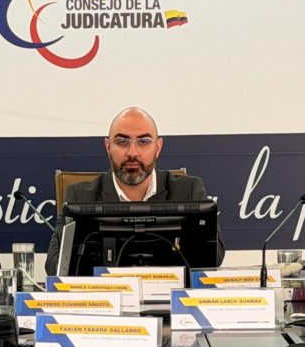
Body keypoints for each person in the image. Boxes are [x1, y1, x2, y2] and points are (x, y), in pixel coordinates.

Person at [44, 106, 223, 274]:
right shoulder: (79, 196)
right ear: (108, 147)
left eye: (144, 141)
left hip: (172, 301)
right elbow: (55, 265)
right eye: (122, 141)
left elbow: (214, 257)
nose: (133, 152)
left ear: (158, 147)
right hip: (106, 301)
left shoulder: (189, 190)